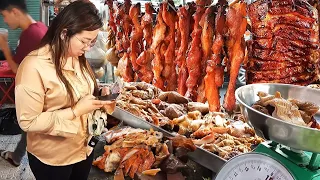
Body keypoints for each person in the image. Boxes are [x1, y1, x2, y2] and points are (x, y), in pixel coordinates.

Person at [15, 1, 109, 179]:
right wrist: (75, 111)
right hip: (53, 159)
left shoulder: (78, 58)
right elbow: (28, 122)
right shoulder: (34, 66)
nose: (88, 48)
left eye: (92, 42)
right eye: (84, 41)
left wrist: (98, 95)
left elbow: (79, 91)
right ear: (64, 33)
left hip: (84, 149)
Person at [0, 0, 47, 167]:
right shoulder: (40, 27)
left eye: (4, 16)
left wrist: (4, 45)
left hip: (38, 90)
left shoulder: (30, 34)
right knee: (30, 128)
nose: (5, 20)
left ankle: (19, 157)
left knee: (31, 125)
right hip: (42, 89)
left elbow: (17, 70)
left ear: (15, 12)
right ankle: (17, 156)